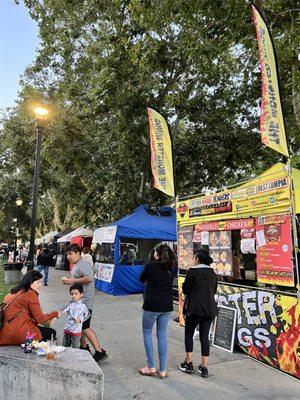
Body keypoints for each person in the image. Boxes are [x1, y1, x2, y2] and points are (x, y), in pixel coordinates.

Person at [62, 243, 108, 363]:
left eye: (70, 254)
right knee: (80, 326)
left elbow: (90, 278)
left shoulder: (83, 264)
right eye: (67, 254)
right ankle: (84, 347)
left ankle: (99, 352)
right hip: (80, 302)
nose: (68, 256)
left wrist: (72, 280)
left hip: (85, 303)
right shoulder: (78, 265)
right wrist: (70, 282)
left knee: (85, 327)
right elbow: (79, 281)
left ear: (78, 253)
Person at [179, 249, 218, 378]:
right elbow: (214, 290)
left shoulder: (192, 272)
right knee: (204, 336)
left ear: (197, 259)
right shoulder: (212, 273)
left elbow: (185, 290)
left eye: (193, 257)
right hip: (210, 310)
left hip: (194, 309)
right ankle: (204, 367)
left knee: (189, 334)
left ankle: (188, 363)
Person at [139, 243, 175, 379]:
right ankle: (163, 369)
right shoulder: (171, 267)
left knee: (147, 333)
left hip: (151, 305)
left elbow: (141, 279)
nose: (154, 253)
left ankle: (151, 366)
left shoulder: (150, 266)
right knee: (162, 335)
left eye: (155, 252)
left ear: (158, 254)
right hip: (166, 306)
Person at [0, 270, 61, 346]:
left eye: (41, 282)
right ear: (30, 282)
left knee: (43, 330)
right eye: (38, 282)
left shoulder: (13, 292)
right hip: (20, 332)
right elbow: (40, 319)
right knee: (51, 333)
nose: (40, 285)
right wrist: (55, 314)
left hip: (6, 331)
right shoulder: (30, 293)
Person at [61, 283, 90, 348]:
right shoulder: (69, 304)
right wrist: (54, 317)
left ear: (81, 294)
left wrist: (80, 320)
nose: (73, 295)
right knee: (64, 347)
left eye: (76, 294)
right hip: (67, 329)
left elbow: (87, 315)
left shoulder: (83, 306)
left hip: (76, 331)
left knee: (75, 349)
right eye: (72, 294)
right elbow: (62, 310)